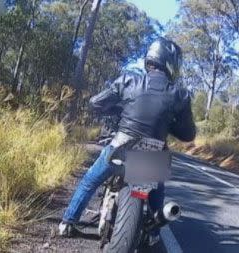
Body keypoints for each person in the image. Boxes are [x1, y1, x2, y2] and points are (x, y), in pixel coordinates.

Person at [58, 37, 196, 243]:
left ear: (150, 58)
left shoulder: (128, 80)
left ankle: (68, 222)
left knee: (90, 181)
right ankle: (153, 233)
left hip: (121, 148)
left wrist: (119, 108)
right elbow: (188, 135)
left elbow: (95, 103)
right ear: (171, 63)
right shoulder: (180, 94)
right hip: (154, 155)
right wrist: (168, 122)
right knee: (158, 191)